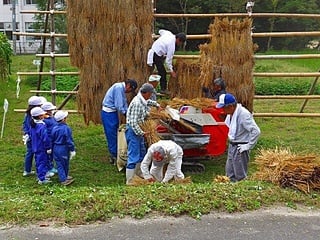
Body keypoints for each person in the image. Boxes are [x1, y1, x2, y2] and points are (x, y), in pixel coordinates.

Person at [216, 93, 260, 182]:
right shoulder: (231, 114)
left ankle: (242, 193)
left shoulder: (243, 115)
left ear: (231, 106)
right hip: (232, 145)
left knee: (240, 176)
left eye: (223, 107)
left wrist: (248, 146)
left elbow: (256, 131)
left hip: (240, 147)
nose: (222, 110)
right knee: (229, 174)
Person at [125, 83, 161, 184]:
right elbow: (132, 122)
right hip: (134, 131)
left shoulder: (142, 99)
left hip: (139, 131)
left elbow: (147, 102)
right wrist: (141, 133)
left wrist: (156, 105)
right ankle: (130, 180)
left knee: (141, 153)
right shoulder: (137, 103)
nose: (150, 96)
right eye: (150, 94)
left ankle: (139, 174)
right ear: (147, 93)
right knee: (133, 156)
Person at [101, 79, 138, 164]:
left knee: (115, 133)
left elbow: (124, 103)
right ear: (128, 85)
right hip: (108, 113)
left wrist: (129, 112)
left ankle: (116, 153)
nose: (129, 92)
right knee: (111, 134)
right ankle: (114, 155)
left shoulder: (121, 88)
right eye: (130, 90)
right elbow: (119, 105)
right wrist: (126, 114)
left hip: (112, 113)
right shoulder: (118, 88)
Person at [147, 30, 186, 94]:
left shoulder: (169, 34)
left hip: (154, 52)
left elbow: (160, 31)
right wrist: (171, 71)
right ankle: (163, 89)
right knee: (162, 73)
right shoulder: (172, 45)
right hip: (156, 55)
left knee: (153, 71)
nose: (179, 44)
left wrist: (156, 34)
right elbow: (168, 60)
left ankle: (152, 88)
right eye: (180, 43)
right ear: (178, 39)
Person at [52, 110, 76, 186]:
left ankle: (64, 176)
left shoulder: (54, 128)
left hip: (55, 148)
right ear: (63, 119)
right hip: (63, 148)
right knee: (64, 164)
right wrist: (72, 149)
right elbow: (69, 140)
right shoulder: (66, 128)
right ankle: (63, 179)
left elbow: (52, 139)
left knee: (59, 163)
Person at [29, 107, 52, 184]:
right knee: (42, 162)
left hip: (35, 146)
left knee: (38, 162)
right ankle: (42, 179)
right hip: (42, 147)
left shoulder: (32, 124)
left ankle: (39, 176)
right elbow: (45, 138)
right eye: (42, 114)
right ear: (40, 116)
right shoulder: (41, 126)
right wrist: (48, 147)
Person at [22, 96, 43, 177]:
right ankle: (37, 171)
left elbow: (24, 125)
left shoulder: (27, 114)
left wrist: (26, 133)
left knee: (29, 153)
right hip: (34, 138)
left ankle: (27, 170)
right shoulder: (33, 115)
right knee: (35, 153)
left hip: (29, 137)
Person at [41, 101, 58, 174]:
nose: (51, 111)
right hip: (48, 139)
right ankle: (48, 167)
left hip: (53, 138)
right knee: (47, 155)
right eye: (50, 110)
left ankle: (51, 166)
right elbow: (45, 132)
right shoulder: (44, 120)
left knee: (51, 154)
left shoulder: (52, 118)